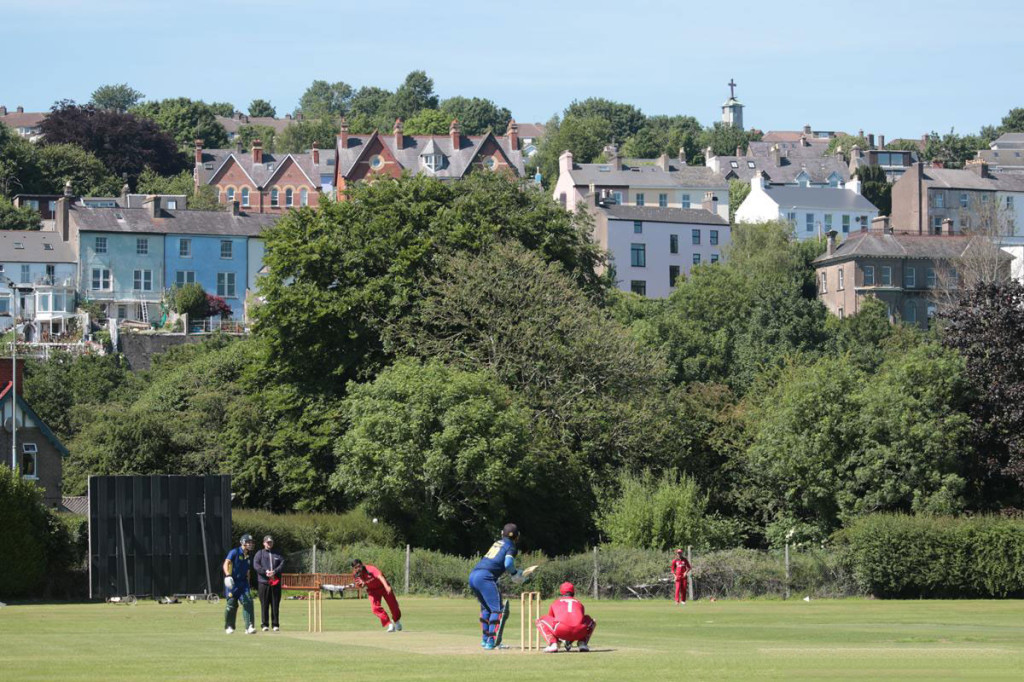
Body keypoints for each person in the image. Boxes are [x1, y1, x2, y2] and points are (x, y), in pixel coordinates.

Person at [469, 522, 526, 650]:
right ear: (517, 537)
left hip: (473, 575)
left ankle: (485, 640)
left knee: (486, 609)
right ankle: (492, 641)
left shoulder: (497, 543)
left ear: (502, 533)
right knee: (497, 610)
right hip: (485, 577)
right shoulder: (511, 546)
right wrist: (515, 573)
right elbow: (508, 563)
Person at [536, 582, 596, 653]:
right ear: (573, 592)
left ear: (561, 592)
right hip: (579, 632)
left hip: (561, 630)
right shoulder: (579, 603)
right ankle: (582, 643)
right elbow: (580, 620)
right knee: (592, 621)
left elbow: (551, 619)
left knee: (540, 621)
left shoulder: (556, 602)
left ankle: (553, 644)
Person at [351, 559, 403, 632]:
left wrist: (386, 587)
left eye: (359, 566)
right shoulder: (355, 575)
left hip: (383, 587)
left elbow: (380, 576)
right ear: (353, 568)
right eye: (356, 568)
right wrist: (362, 585)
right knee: (375, 608)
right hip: (373, 591)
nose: (358, 569)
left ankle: (396, 621)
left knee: (393, 606)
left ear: (362, 564)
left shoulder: (370, 569)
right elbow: (360, 585)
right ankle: (389, 624)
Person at [223, 534, 256, 634]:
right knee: (231, 604)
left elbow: (248, 572)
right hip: (233, 582)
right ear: (242, 542)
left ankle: (249, 626)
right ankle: (229, 626)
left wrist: (248, 583)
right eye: (248, 542)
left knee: (248, 602)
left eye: (251, 542)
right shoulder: (234, 552)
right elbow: (226, 563)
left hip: (244, 583)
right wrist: (228, 575)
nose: (250, 544)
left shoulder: (249, 556)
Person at [253, 535, 284, 632]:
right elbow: (256, 565)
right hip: (263, 582)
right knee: (264, 604)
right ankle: (264, 624)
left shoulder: (277, 553)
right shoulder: (260, 553)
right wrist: (265, 572)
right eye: (267, 542)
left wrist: (274, 571)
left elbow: (282, 563)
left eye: (270, 542)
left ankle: (275, 624)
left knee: (275, 604)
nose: (269, 544)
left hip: (275, 582)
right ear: (264, 543)